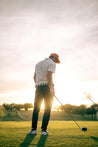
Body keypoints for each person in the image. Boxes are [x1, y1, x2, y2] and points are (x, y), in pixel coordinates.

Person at [29, 53, 60, 135]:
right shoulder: (52, 63)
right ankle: (43, 130)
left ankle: (33, 130)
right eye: (56, 60)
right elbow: (49, 74)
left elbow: (34, 76)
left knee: (36, 108)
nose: (56, 62)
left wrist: (37, 85)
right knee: (47, 109)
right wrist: (51, 88)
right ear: (53, 58)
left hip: (38, 87)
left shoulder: (38, 63)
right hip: (47, 87)